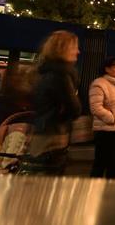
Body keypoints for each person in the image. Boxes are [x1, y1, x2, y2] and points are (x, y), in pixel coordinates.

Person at [25, 30, 82, 174]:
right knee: (49, 180)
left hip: (42, 130)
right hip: (54, 135)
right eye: (75, 47)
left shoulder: (44, 71)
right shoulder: (61, 75)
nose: (78, 51)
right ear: (64, 49)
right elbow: (75, 109)